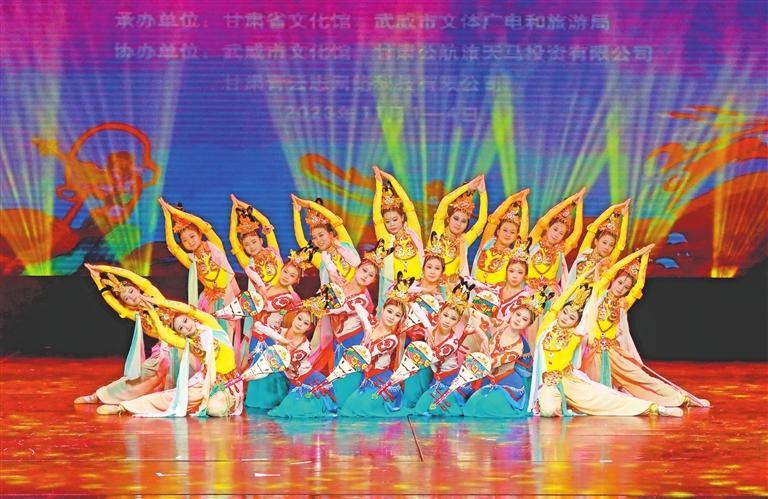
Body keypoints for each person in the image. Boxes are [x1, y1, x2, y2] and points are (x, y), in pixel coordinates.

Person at [527, 276, 684, 418]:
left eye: (572, 317)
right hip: (548, 384)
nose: (566, 318)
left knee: (608, 399)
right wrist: (582, 278)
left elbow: (589, 313)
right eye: (565, 312)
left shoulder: (576, 335)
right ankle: (565, 403)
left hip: (570, 383)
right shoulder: (546, 327)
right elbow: (559, 303)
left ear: (576, 323)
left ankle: (655, 408)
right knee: (548, 410)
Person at [580, 245, 710, 407]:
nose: (621, 288)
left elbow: (639, 284)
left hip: (614, 354)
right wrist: (638, 254)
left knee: (643, 379)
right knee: (596, 392)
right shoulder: (599, 293)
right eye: (620, 283)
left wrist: (645, 259)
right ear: (613, 280)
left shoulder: (623, 304)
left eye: (626, 288)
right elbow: (613, 269)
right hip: (593, 355)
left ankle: (682, 398)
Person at [96, 299, 243, 418]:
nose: (185, 327)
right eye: (180, 328)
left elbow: (187, 308)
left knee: (215, 409)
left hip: (230, 384)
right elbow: (164, 335)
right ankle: (123, 407)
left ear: (191, 318)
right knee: (171, 398)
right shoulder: (188, 343)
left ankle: (215, 401)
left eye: (185, 321)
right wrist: (152, 312)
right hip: (204, 384)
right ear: (180, 334)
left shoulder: (212, 326)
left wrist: (160, 302)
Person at [75, 264, 175, 405]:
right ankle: (100, 395)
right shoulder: (135, 315)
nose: (131, 297)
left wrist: (102, 269)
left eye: (131, 291)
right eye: (126, 298)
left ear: (138, 288)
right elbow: (111, 301)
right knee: (140, 377)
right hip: (166, 350)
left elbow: (129, 275)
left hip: (186, 341)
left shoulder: (154, 295)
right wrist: (97, 280)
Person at [158, 198, 242, 355]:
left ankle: (228, 364)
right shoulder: (191, 261)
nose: (189, 242)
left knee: (229, 334)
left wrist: (173, 210)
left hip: (228, 297)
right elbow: (172, 246)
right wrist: (167, 216)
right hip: (210, 300)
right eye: (184, 240)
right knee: (210, 336)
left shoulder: (215, 245)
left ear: (200, 234)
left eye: (192, 236)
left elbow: (204, 225)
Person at [409, 280, 485, 416]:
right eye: (445, 315)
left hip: (450, 380)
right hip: (437, 379)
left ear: (457, 322)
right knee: (421, 407)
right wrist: (427, 326)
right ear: (439, 313)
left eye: (453, 319)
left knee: (425, 408)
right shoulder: (432, 327)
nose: (447, 320)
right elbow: (414, 305)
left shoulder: (451, 343)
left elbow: (430, 360)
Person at [462, 293, 545, 418]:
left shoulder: (517, 347)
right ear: (512, 313)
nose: (518, 320)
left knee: (486, 405)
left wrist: (484, 345)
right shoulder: (501, 325)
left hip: (506, 383)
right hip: (489, 378)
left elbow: (490, 363)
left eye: (524, 319)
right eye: (518, 314)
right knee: (471, 406)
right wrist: (483, 337)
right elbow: (475, 315)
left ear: (528, 325)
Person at [339, 276, 411, 417]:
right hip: (367, 377)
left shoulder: (391, 339)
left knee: (364, 407)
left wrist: (367, 331)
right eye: (389, 311)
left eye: (397, 315)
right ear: (382, 310)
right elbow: (358, 306)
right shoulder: (372, 323)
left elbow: (365, 356)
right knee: (348, 406)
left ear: (400, 319)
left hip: (381, 379)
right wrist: (367, 325)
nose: (392, 317)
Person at [267, 302, 337, 418]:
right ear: (295, 316)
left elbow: (287, 363)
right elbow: (262, 326)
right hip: (292, 381)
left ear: (309, 328)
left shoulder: (305, 347)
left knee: (296, 411)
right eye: (299, 318)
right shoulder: (280, 331)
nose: (300, 324)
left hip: (308, 381)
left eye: (305, 323)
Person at [371, 165, 424, 305]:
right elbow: (376, 217)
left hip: (418, 288)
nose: (392, 224)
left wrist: (391, 179)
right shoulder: (386, 239)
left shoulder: (413, 232)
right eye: (387, 221)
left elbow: (409, 206)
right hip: (394, 292)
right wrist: (379, 184)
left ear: (403, 218)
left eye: (395, 219)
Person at [527, 188, 586, 297]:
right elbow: (542, 222)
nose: (556, 234)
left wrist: (580, 204)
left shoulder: (561, 250)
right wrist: (568, 201)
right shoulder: (534, 241)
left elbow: (577, 232)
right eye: (555, 229)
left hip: (549, 294)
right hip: (526, 290)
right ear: (548, 227)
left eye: (561, 233)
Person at [429, 175, 488, 282]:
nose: (458, 224)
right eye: (456, 218)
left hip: (450, 289)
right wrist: (467, 187)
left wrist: (483, 193)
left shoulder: (463, 241)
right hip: (427, 286)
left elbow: (482, 221)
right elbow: (444, 202)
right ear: (448, 218)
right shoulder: (437, 230)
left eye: (463, 221)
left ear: (466, 225)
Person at [292, 195, 360, 285]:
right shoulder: (321, 260)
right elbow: (301, 241)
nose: (318, 240)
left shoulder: (344, 243)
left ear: (331, 234)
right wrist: (296, 211)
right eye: (314, 238)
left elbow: (334, 219)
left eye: (321, 235)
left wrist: (309, 204)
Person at [472, 188, 530, 285]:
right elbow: (493, 219)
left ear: (516, 237)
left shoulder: (513, 256)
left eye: (512, 232)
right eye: (505, 230)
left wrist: (524, 206)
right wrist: (511, 200)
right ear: (498, 232)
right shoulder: (487, 245)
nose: (507, 234)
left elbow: (523, 237)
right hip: (473, 292)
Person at [566, 199, 629, 287]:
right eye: (604, 242)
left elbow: (620, 245)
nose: (607, 247)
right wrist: (612, 209)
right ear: (596, 241)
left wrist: (625, 216)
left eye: (611, 245)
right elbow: (593, 228)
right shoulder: (585, 252)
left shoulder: (608, 262)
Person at [229, 194, 283, 285]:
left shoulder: (273, 250)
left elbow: (265, 222)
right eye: (246, 245)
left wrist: (241, 203)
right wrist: (234, 210)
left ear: (261, 241)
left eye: (254, 242)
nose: (251, 246)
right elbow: (232, 238)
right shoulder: (247, 263)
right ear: (243, 248)